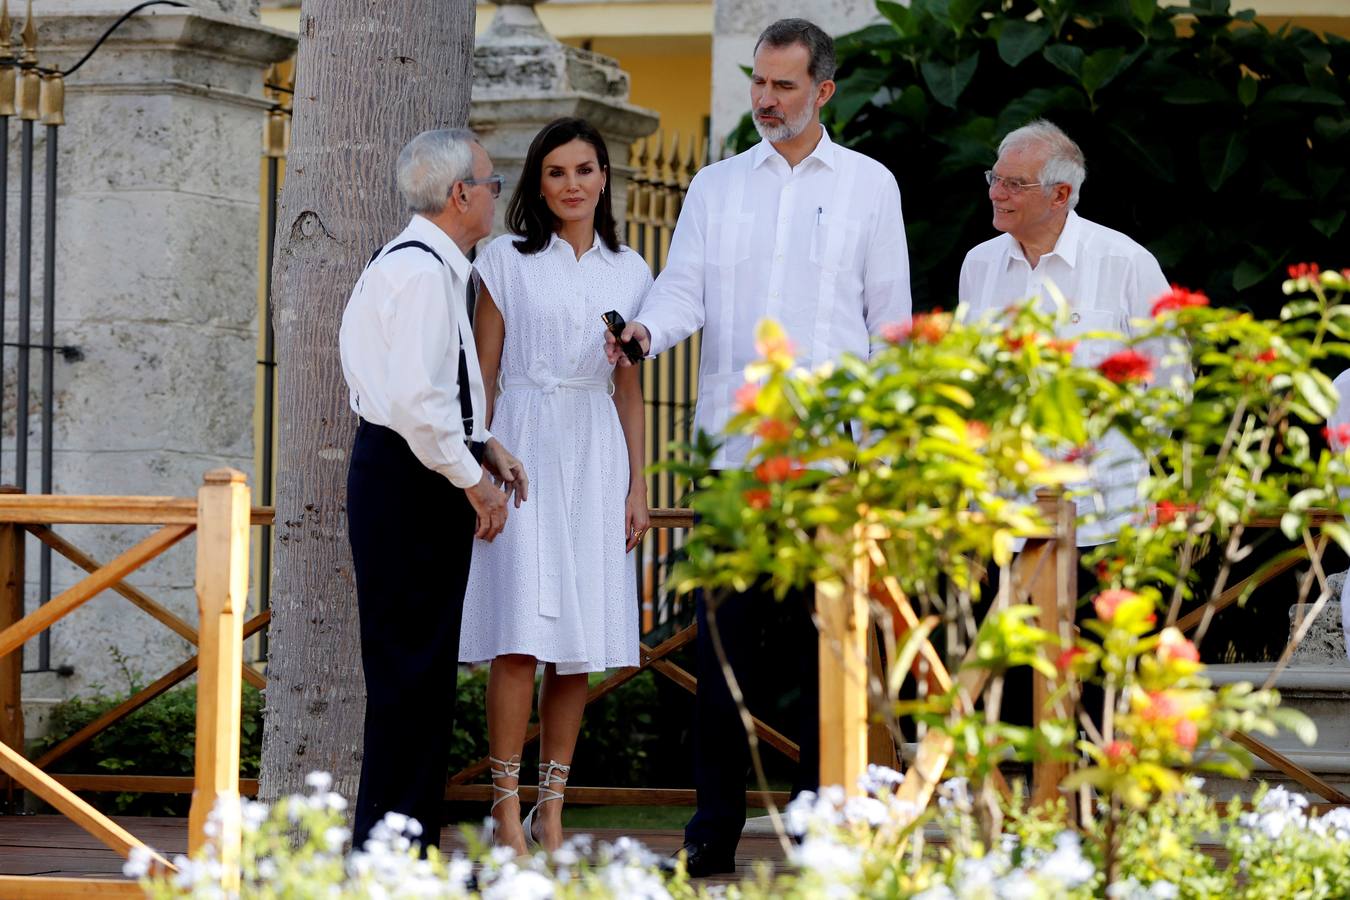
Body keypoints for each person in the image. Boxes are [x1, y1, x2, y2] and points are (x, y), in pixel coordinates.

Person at [607, 19, 912, 876]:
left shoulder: (869, 186)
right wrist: (642, 333)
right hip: (734, 466)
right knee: (721, 661)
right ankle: (711, 835)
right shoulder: (712, 184)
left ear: (823, 91)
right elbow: (683, 292)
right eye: (758, 82)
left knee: (828, 664)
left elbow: (889, 325)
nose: (764, 100)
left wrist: (882, 460)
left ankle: (821, 836)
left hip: (830, 468)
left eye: (783, 85)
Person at [458, 117, 652, 855]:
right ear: (538, 184)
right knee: (518, 636)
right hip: (525, 448)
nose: (573, 184)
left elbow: (629, 389)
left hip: (596, 450)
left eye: (586, 169)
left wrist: (638, 485)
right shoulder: (504, 259)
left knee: (579, 642)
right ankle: (504, 810)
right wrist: (482, 459)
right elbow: (480, 370)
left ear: (605, 177)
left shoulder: (631, 271)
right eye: (557, 172)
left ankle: (552, 809)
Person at [957, 119, 1190, 725]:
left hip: (1103, 526)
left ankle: (1095, 822)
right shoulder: (979, 266)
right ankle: (1016, 822)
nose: (996, 193)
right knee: (1007, 704)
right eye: (994, 178)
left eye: (1013, 183)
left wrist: (1115, 462)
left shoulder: (1124, 262)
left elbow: (1173, 385)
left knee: (1099, 705)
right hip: (1007, 526)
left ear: (1061, 195)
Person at [340, 128, 528, 852]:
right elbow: (419, 405)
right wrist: (474, 480)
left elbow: (428, 392)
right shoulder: (421, 273)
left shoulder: (423, 265)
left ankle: (403, 846)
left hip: (409, 468)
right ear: (460, 196)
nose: (493, 196)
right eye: (490, 184)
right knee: (409, 677)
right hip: (409, 480)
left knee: (417, 678)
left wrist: (484, 442)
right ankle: (393, 853)